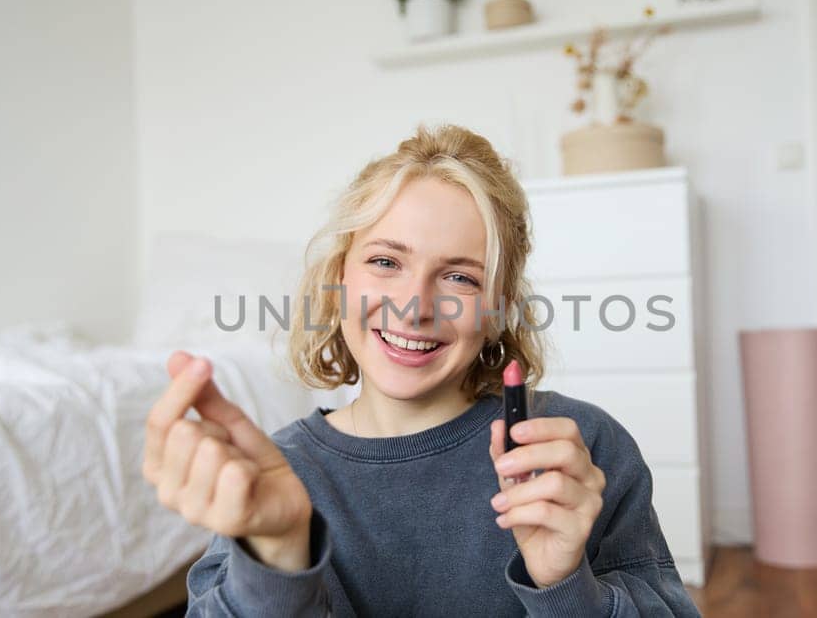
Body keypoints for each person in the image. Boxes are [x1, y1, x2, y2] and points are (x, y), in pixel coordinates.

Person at [141, 124, 699, 616]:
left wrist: (566, 589)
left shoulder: (580, 450)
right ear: (339, 281)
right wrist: (279, 559)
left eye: (461, 277)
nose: (415, 305)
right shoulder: (275, 478)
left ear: (498, 308)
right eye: (386, 262)